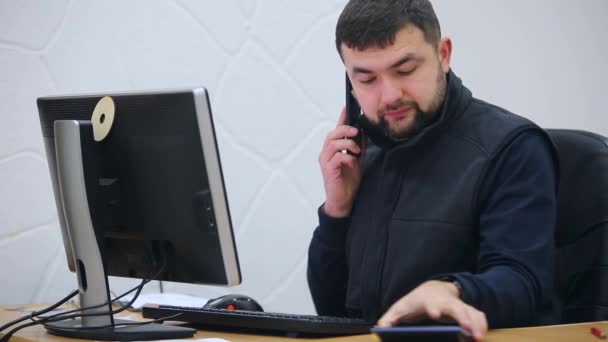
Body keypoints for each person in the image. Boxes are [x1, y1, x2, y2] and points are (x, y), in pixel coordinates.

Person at [307, 0, 560, 340]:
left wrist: (451, 291)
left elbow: (524, 282)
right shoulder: (363, 154)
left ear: (443, 54)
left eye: (405, 70)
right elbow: (332, 313)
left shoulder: (511, 148)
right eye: (366, 79)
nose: (389, 96)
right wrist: (337, 212)